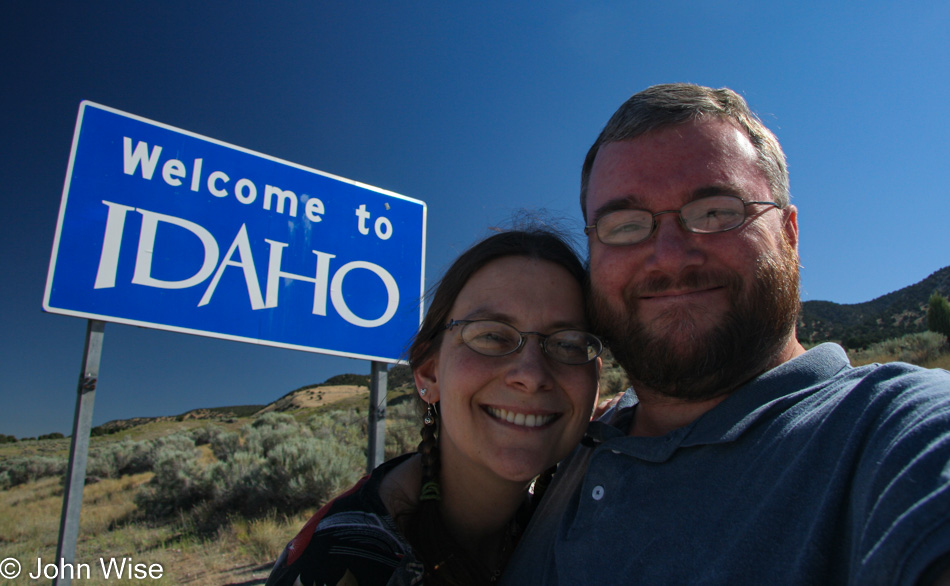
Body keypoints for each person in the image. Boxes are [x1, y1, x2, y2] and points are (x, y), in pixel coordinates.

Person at [501, 83, 950, 585]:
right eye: (625, 226)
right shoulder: (573, 441)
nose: (669, 255)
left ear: (788, 234)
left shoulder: (891, 434)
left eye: (716, 211)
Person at [265, 228, 603, 585]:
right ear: (428, 372)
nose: (532, 375)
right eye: (491, 335)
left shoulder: (592, 515)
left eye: (568, 344)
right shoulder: (345, 559)